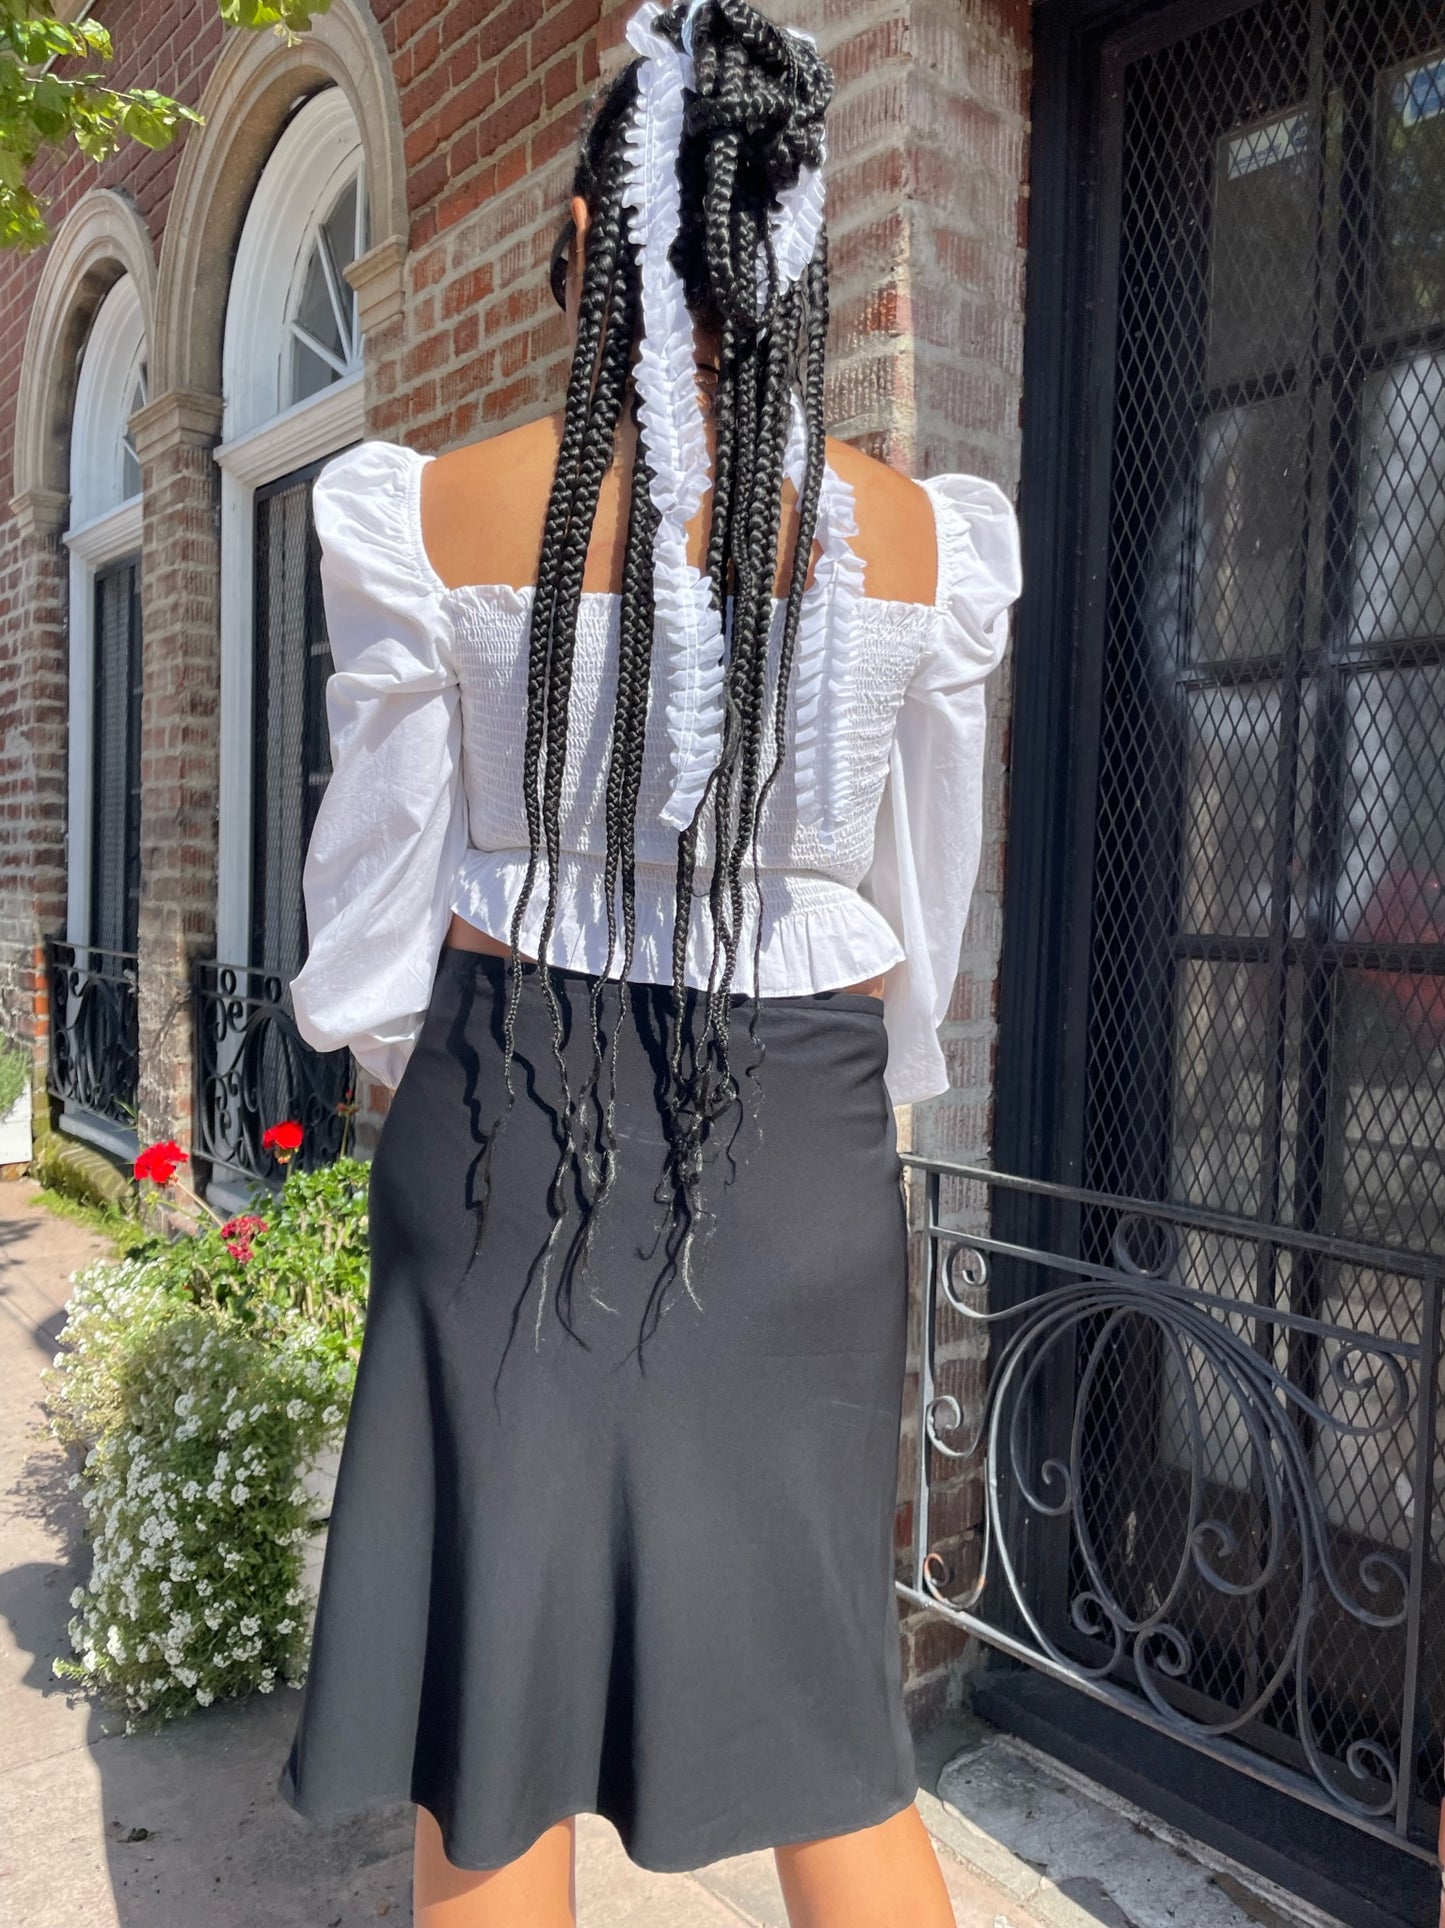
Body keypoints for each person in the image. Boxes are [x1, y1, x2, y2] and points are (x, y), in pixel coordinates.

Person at [275, 1, 1021, 1922]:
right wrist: (877, 1067)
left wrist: (397, 1040)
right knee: (828, 1727)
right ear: (796, 245)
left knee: (491, 1732)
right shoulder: (915, 545)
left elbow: (370, 903)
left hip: (509, 1125)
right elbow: (912, 909)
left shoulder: (430, 510)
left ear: (600, 239)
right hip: (803, 1153)